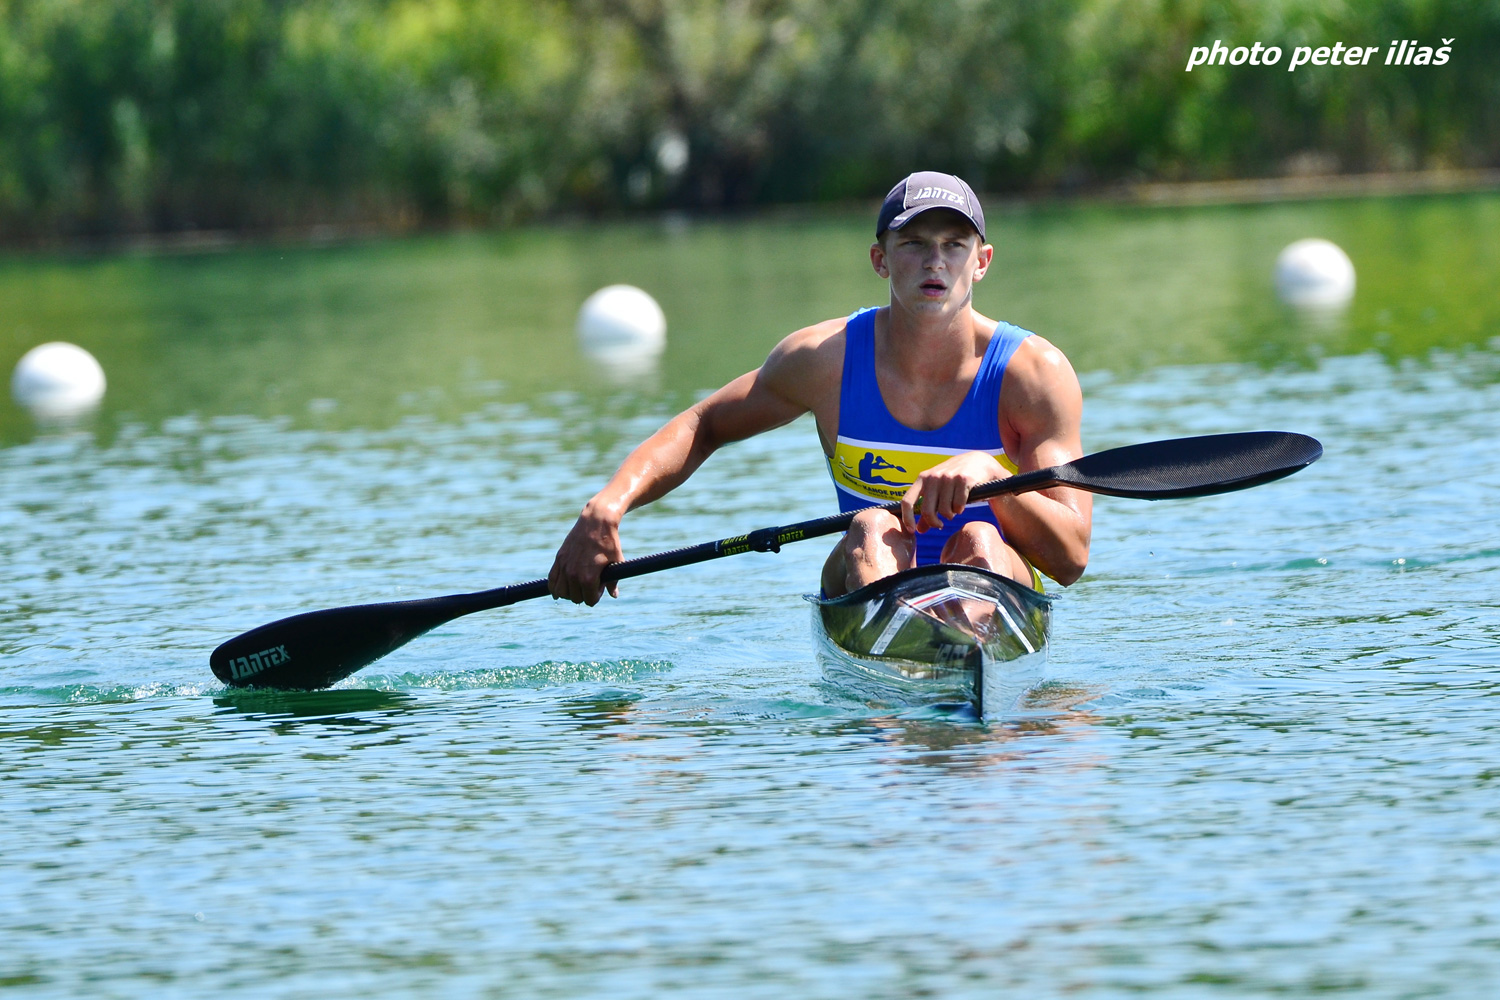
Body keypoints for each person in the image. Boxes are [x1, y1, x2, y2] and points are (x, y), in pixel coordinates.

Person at [548, 170, 1091, 605]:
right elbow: (705, 424)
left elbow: (1070, 558)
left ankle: (952, 650)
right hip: (869, 568)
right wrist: (607, 506)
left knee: (979, 540)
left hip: (995, 579)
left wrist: (990, 473)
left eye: (955, 244)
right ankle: (906, 648)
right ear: (880, 259)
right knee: (872, 524)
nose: (935, 262)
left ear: (982, 262)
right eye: (914, 243)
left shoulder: (1033, 375)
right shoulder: (823, 361)